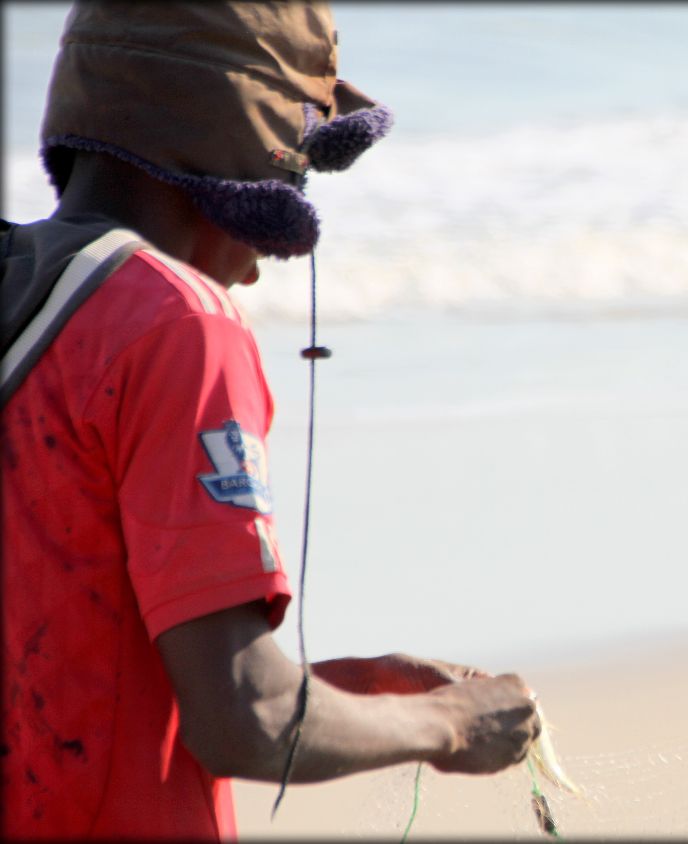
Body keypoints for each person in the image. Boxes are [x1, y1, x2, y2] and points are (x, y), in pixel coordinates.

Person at [1, 3, 539, 839]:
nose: (257, 274)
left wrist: (350, 688)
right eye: (299, 174)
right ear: (247, 146)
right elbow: (246, 718)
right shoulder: (178, 323)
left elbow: (97, 675)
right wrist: (455, 726)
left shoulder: (22, 288)